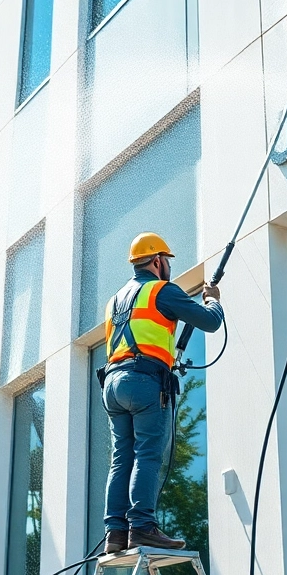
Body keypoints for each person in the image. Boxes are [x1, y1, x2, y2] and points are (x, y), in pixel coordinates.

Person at [101, 233, 223, 554]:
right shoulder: (161, 290)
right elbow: (209, 322)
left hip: (113, 384)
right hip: (144, 382)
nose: (167, 266)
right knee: (148, 454)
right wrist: (213, 300)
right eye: (166, 260)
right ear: (156, 261)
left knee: (121, 458)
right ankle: (141, 526)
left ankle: (115, 533)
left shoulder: (114, 300)